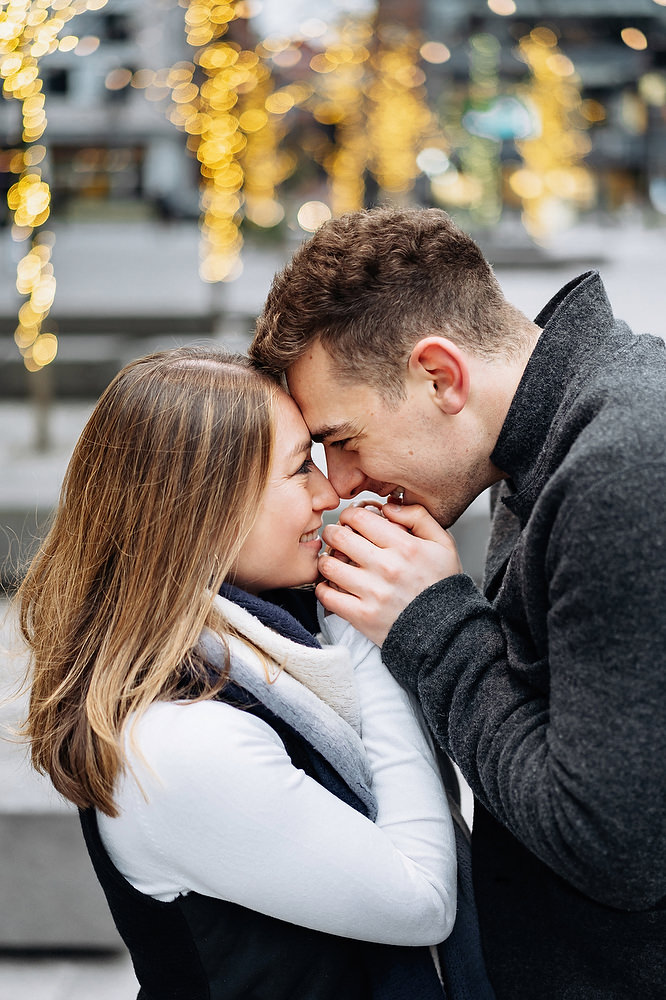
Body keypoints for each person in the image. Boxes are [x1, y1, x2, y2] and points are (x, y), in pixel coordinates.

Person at [249, 206, 666, 1000]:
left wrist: (432, 623)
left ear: (440, 375)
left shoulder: (622, 472)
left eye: (342, 439)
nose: (337, 485)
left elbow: (612, 850)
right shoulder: (551, 439)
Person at [18, 346, 460, 1000]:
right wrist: (373, 638)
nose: (329, 492)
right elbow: (419, 899)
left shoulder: (262, 645)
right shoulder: (181, 741)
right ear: (207, 511)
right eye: (297, 469)